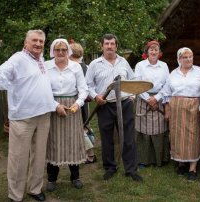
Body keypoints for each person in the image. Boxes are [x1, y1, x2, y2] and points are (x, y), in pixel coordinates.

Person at [0, 30, 64, 202]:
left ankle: (34, 189)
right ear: (26, 42)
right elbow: (0, 75)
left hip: (43, 115)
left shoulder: (40, 59)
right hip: (23, 118)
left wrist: (54, 105)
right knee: (18, 159)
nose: (38, 44)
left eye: (41, 41)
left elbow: (42, 86)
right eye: (34, 40)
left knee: (39, 155)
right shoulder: (18, 59)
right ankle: (15, 195)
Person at [85, 33, 143, 182]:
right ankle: (110, 167)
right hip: (105, 105)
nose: (109, 46)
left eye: (112, 44)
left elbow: (133, 79)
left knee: (129, 137)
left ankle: (131, 169)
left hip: (124, 104)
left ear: (116, 46)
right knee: (107, 138)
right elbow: (88, 85)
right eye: (107, 44)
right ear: (102, 46)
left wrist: (131, 96)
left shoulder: (123, 62)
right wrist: (96, 96)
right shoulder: (94, 64)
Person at [45, 39, 89, 192]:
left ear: (68, 51)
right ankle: (51, 179)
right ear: (52, 51)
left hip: (72, 107)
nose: (61, 52)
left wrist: (78, 103)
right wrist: (55, 105)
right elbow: (43, 90)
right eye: (57, 50)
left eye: (64, 49)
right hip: (52, 106)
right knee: (53, 142)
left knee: (72, 142)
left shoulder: (75, 67)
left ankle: (75, 177)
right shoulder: (46, 66)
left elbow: (83, 89)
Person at [159, 47, 200, 182]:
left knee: (193, 135)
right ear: (179, 59)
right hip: (176, 107)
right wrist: (167, 110)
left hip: (194, 106)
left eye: (190, 56)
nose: (188, 59)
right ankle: (181, 164)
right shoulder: (173, 74)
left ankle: (193, 168)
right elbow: (166, 93)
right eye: (185, 57)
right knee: (177, 135)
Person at [134, 40, 170, 168]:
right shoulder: (140, 65)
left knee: (159, 130)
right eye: (151, 49)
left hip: (159, 100)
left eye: (156, 49)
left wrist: (157, 98)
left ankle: (159, 159)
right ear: (147, 51)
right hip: (143, 99)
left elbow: (167, 84)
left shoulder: (164, 66)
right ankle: (143, 160)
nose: (154, 51)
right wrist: (148, 99)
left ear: (159, 52)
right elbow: (137, 83)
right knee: (143, 131)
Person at [69, 42, 97, 164]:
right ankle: (85, 153)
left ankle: (90, 155)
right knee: (85, 126)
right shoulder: (85, 66)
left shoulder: (75, 67)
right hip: (83, 102)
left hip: (78, 101)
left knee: (81, 128)